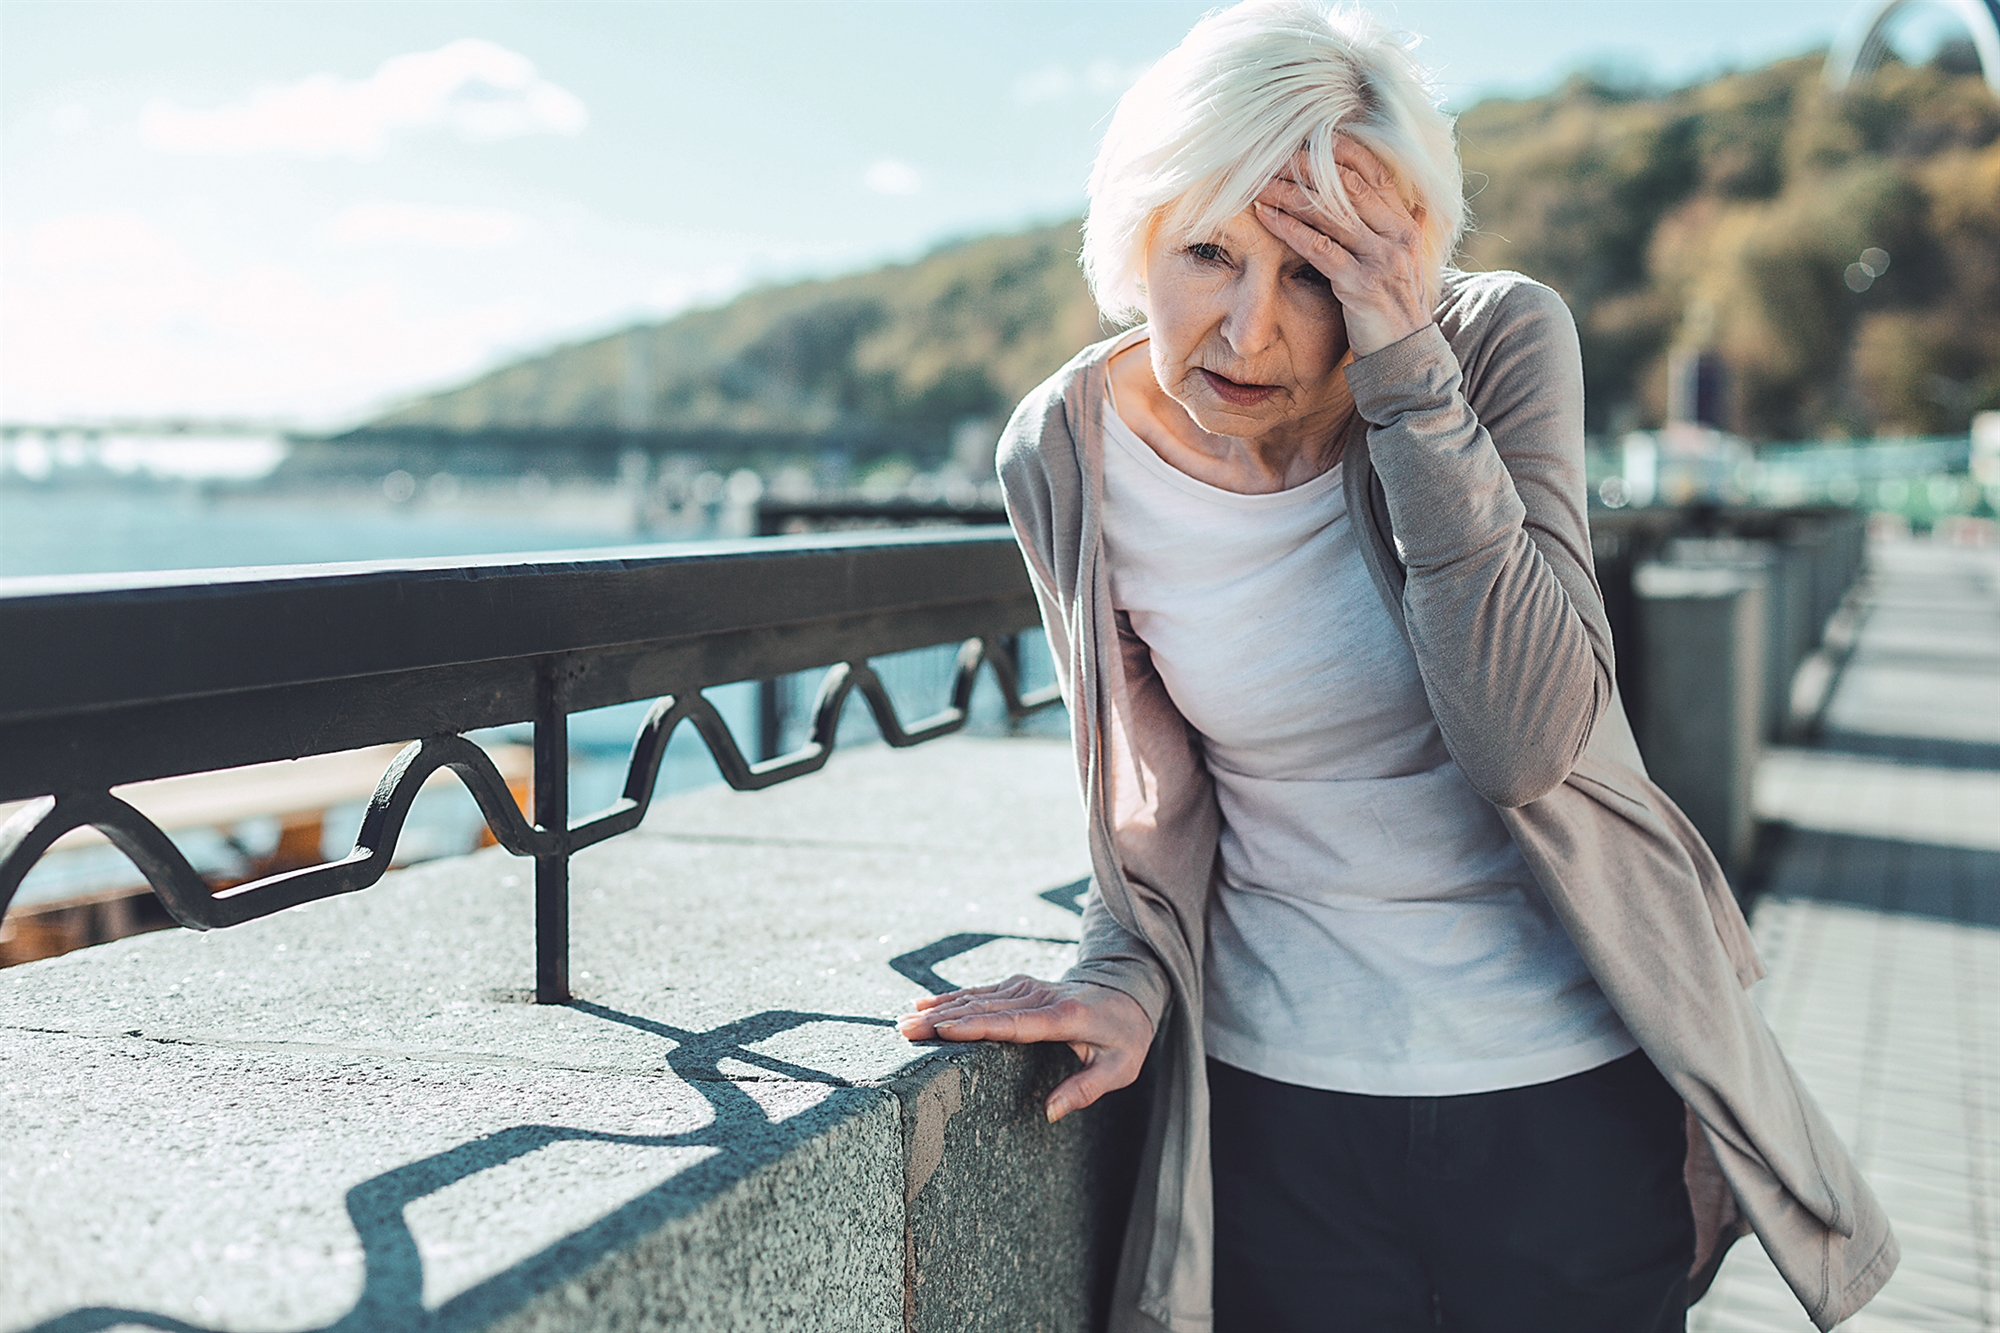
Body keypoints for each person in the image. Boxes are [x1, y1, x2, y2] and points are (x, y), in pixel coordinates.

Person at [897, 3, 1896, 1331]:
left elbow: (1527, 738)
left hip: (1568, 1100)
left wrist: (1412, 377)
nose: (1250, 330)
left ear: (1401, 255)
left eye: (1313, 272)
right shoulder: (1065, 451)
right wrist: (1120, 970)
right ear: (1135, 237)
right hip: (1281, 1118)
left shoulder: (1495, 345)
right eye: (1208, 252)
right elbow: (1149, 788)